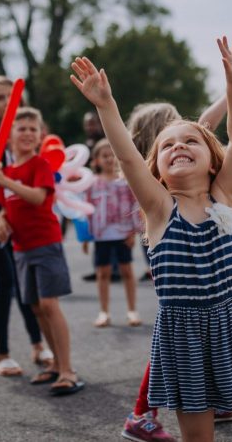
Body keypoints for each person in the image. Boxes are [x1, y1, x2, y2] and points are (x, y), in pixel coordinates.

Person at [72, 38, 232, 442]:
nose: (179, 145)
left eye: (190, 140)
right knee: (197, 437)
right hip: (183, 336)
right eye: (167, 145)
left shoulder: (225, 198)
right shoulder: (160, 209)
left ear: (213, 158)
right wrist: (105, 105)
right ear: (158, 170)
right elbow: (128, 156)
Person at [119, 97, 232, 441]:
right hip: (171, 239)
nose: (187, 128)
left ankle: (214, 396)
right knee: (178, 329)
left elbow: (206, 121)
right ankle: (141, 413)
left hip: (177, 236)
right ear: (158, 134)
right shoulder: (154, 170)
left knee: (198, 322)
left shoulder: (167, 156)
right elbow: (205, 124)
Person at [0, 106, 84, 397]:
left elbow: (38, 198)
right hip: (21, 249)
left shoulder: (39, 165)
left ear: (40, 136)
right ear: (9, 136)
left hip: (45, 244)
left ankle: (68, 371)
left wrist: (5, 180)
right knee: (37, 308)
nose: (27, 133)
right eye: (21, 128)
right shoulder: (8, 171)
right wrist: (0, 218)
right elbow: (4, 205)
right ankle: (55, 364)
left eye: (32, 129)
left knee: (49, 304)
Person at [0, 76, 51, 378]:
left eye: (11, 96)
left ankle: (37, 344)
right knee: (6, 282)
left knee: (25, 285)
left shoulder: (27, 136)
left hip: (17, 216)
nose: (7, 102)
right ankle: (1, 354)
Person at [85, 138, 142, 328]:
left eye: (112, 155)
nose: (109, 159)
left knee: (126, 270)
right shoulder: (92, 183)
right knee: (103, 272)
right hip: (102, 235)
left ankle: (132, 310)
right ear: (97, 160)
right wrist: (86, 237)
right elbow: (87, 208)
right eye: (104, 156)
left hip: (123, 232)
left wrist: (133, 231)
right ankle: (104, 312)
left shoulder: (125, 181)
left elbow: (135, 204)